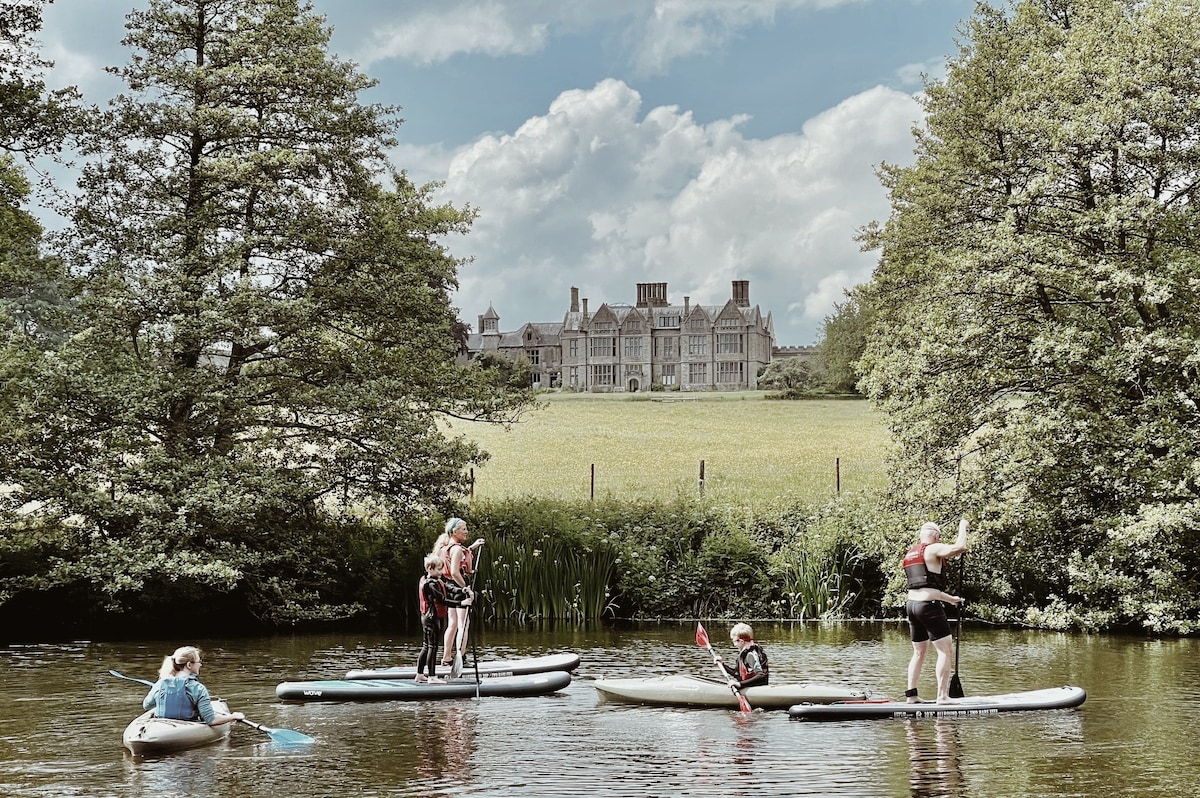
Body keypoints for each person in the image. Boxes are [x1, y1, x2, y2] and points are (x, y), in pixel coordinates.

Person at [902, 518, 968, 704]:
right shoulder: (932, 548)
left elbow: (925, 588)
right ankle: (942, 696)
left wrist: (950, 599)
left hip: (912, 606)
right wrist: (962, 526)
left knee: (919, 653)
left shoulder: (910, 553)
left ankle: (912, 696)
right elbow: (959, 547)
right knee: (945, 650)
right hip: (928, 607)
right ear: (936, 536)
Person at [141, 646, 244, 726]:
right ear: (189, 665)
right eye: (199, 662)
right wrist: (233, 716)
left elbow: (146, 705)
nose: (201, 664)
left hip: (162, 726)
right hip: (185, 727)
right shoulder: (198, 688)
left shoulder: (160, 683)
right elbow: (211, 720)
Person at [416, 553, 474, 683]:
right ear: (430, 569)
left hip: (430, 618)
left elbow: (449, 588)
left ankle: (420, 674)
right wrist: (461, 603)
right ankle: (431, 677)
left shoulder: (437, 581)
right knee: (432, 647)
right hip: (431, 618)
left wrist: (463, 590)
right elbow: (443, 600)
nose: (441, 572)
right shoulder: (430, 584)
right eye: (438, 569)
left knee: (427, 646)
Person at [439, 517, 485, 671]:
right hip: (459, 587)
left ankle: (446, 658)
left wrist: (472, 547)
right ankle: (461, 657)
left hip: (448, 586)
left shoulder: (446, 548)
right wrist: (466, 588)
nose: (466, 531)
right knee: (463, 624)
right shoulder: (457, 549)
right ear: (454, 531)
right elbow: (454, 571)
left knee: (452, 623)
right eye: (463, 529)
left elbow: (460, 556)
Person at [712, 622, 769, 689]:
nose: (734, 645)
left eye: (734, 641)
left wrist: (739, 684)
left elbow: (761, 676)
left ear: (741, 641)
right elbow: (737, 674)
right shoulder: (744, 654)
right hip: (747, 687)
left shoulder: (750, 655)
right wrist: (722, 664)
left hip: (756, 690)